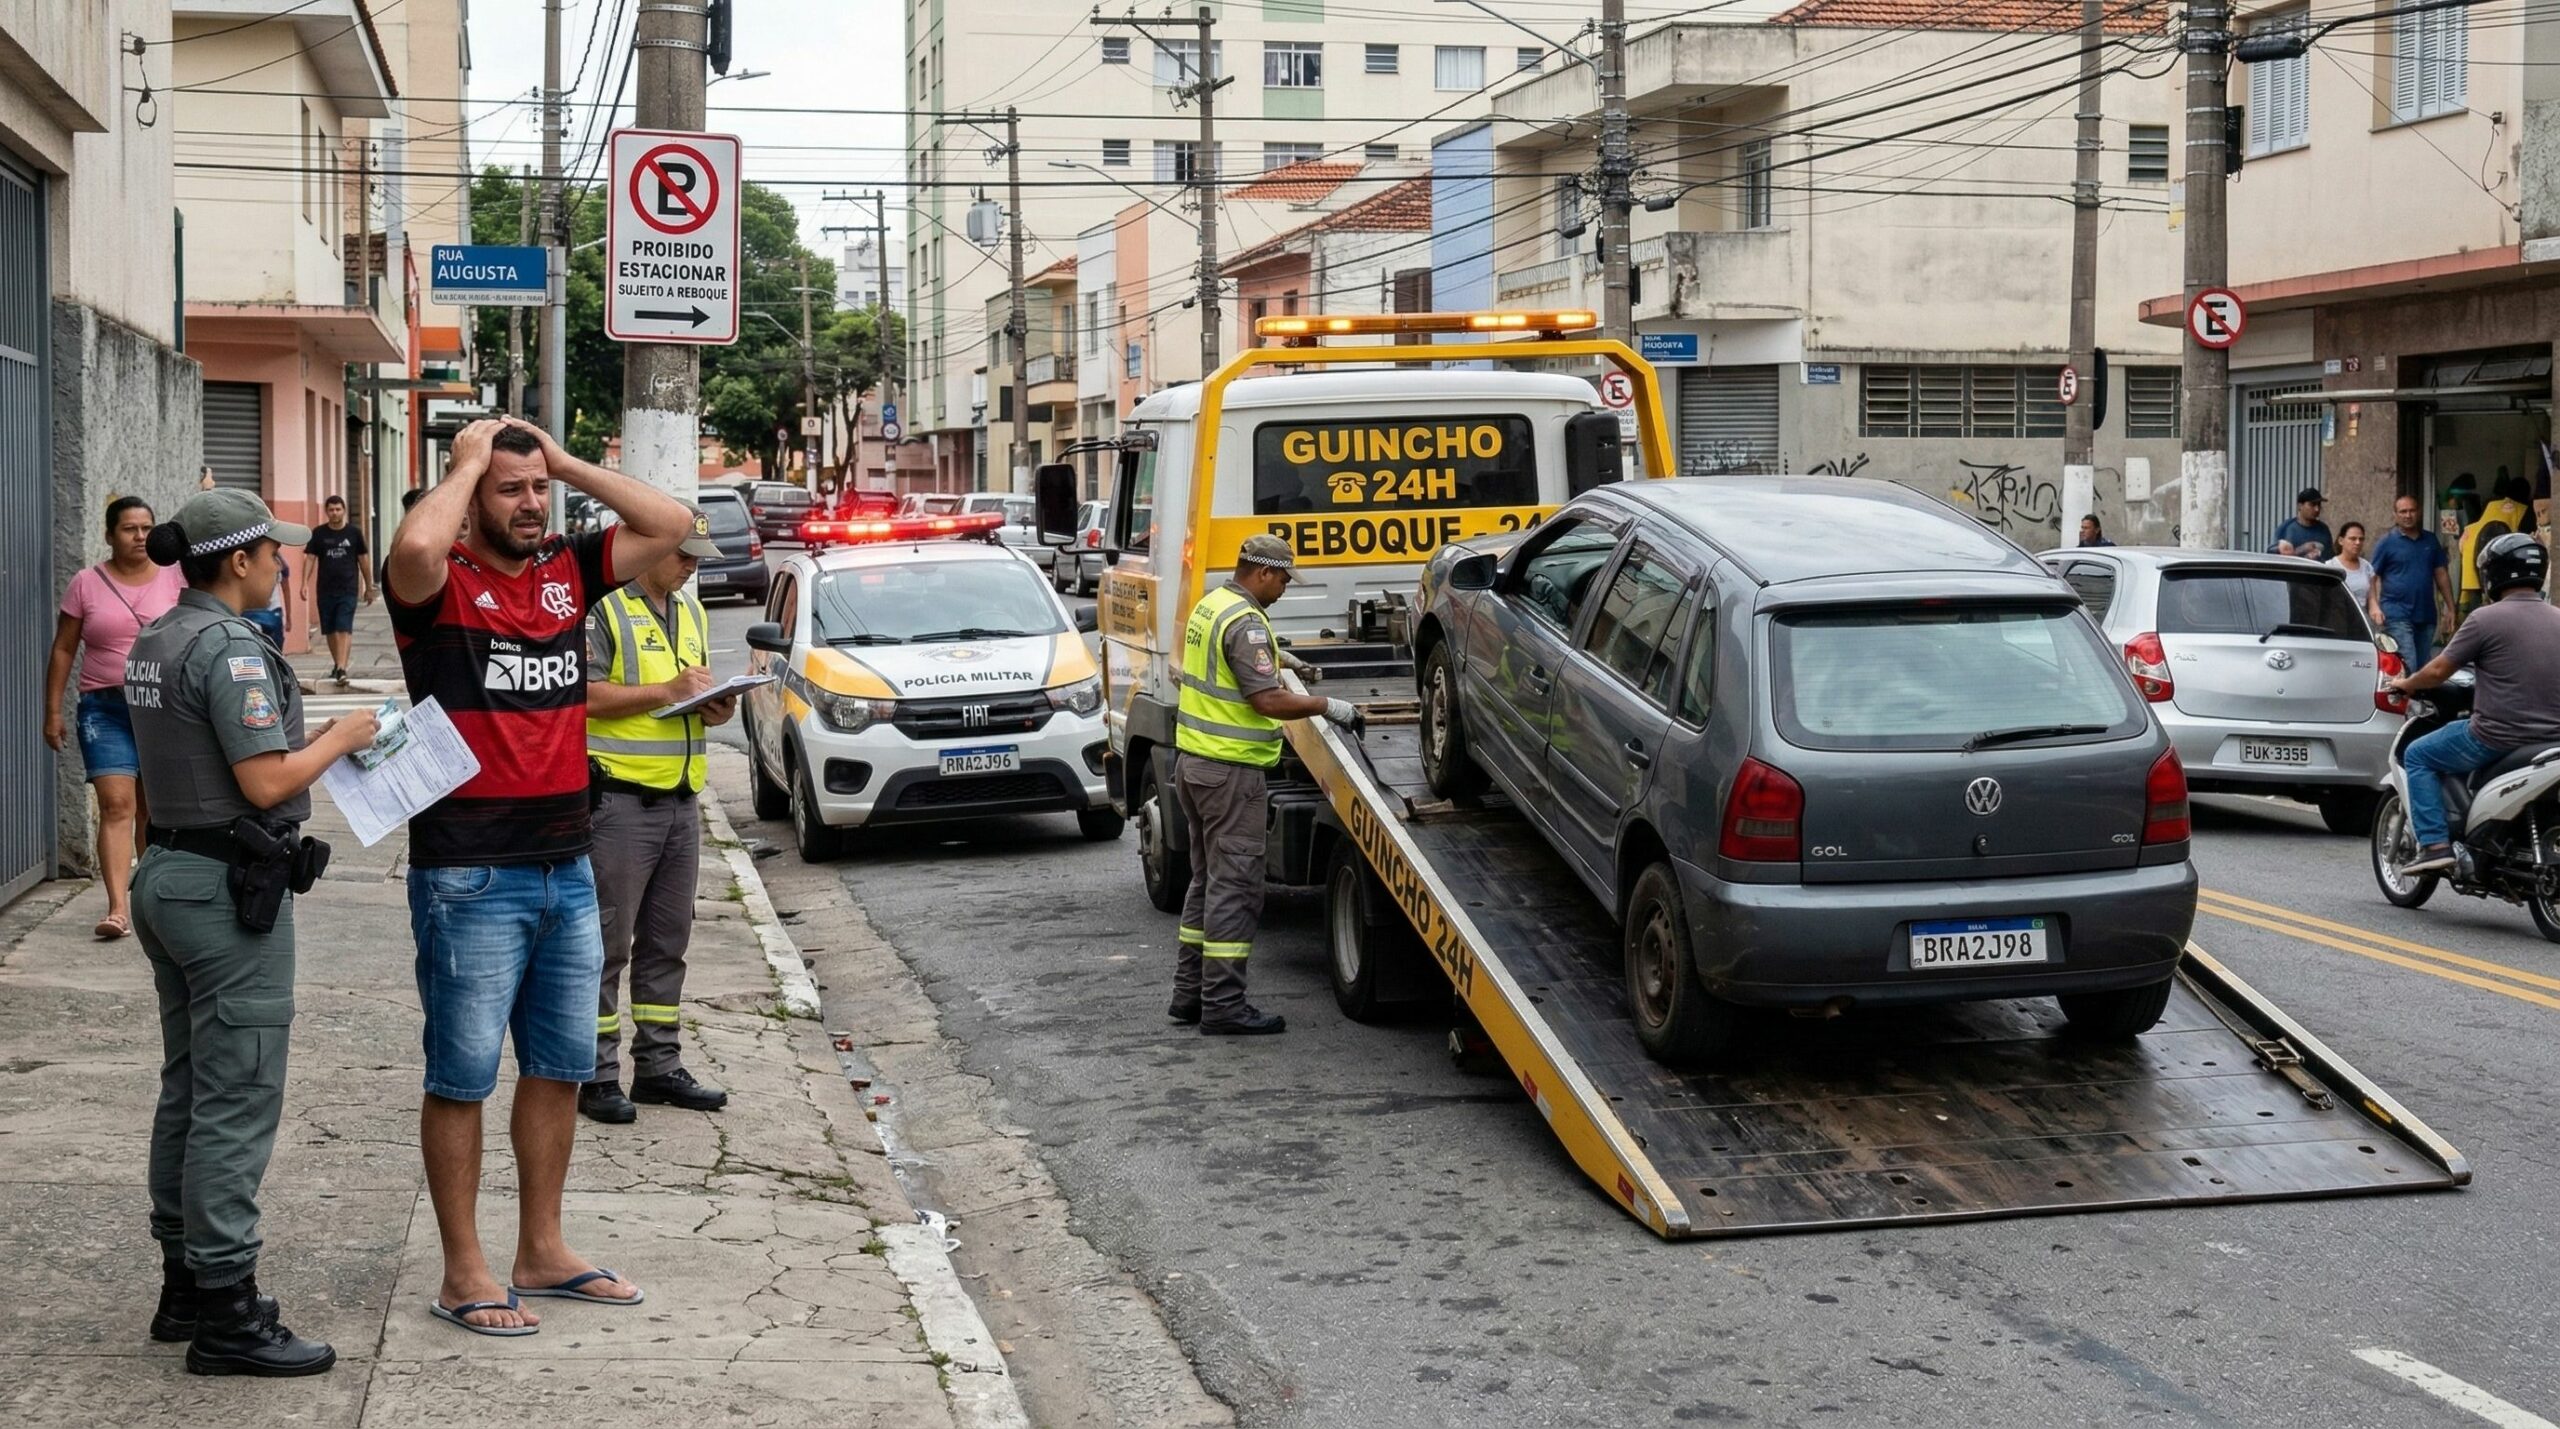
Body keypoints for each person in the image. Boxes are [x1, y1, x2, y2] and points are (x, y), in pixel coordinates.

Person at [385, 416, 691, 1335]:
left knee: (558, 1068)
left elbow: (670, 523)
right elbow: (412, 545)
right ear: (471, 495)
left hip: (567, 858)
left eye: (537, 490)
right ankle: (464, 1268)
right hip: (470, 872)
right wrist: (470, 460)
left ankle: (542, 1248)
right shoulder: (436, 585)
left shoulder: (570, 567)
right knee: (463, 1074)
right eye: (509, 489)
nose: (531, 503)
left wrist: (558, 459)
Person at [124, 488, 381, 1376]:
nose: (284, 561)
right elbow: (267, 781)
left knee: (190, 1085)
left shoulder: (158, 636)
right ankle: (228, 1309)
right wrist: (344, 734)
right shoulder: (226, 647)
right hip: (223, 893)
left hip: (166, 871)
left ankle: (184, 1283)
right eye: (274, 550)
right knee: (237, 1096)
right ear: (237, 560)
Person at [577, 511, 737, 1124]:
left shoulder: (690, 612)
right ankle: (596, 1075)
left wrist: (712, 707)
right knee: (605, 947)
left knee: (668, 943)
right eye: (684, 554)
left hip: (679, 801)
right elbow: (582, 695)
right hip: (620, 804)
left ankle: (660, 1066)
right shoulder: (605, 610)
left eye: (699, 556)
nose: (694, 566)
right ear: (648, 548)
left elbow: (685, 695)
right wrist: (667, 692)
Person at [1169, 535, 1361, 1036]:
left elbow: (1231, 670)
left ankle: (1189, 995)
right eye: (1282, 580)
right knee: (1235, 890)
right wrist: (1327, 706)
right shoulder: (1248, 622)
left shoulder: (1214, 604)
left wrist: (1281, 662)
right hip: (1231, 774)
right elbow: (1267, 703)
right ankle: (1224, 1006)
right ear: (1261, 572)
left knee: (1207, 882)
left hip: (1195, 767)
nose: (1283, 590)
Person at [47, 497, 186, 940]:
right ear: (109, 535)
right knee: (117, 805)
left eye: (147, 527)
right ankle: (117, 910)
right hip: (103, 708)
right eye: (129, 529)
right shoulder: (86, 583)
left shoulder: (175, 577)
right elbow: (65, 647)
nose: (140, 536)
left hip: (160, 708)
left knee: (153, 810)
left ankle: (149, 900)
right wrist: (53, 711)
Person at [2387, 534, 2560, 872]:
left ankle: (2436, 845)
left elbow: (2438, 670)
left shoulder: (2485, 619)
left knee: (2418, 754)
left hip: (2495, 736)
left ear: (2493, 574)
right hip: (2551, 740)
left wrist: (2406, 683)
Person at [2368, 495, 2456, 669]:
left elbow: (2441, 574)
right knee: (2409, 664)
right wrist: (2374, 606)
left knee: (2423, 667)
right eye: (2403, 511)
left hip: (2426, 614)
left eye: (2412, 510)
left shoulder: (2430, 540)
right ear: (2395, 514)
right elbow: (2372, 576)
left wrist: (2451, 608)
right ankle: (2405, 696)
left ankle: (2416, 697)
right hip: (2396, 613)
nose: (2408, 515)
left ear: (2419, 512)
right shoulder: (2386, 542)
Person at [301, 494, 372, 684]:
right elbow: (309, 558)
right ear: (327, 512)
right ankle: (337, 664)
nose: (334, 513)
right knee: (330, 630)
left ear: (344, 510)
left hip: (348, 588)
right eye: (331, 510)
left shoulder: (353, 534)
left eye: (338, 509)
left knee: (343, 627)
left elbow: (364, 560)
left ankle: (342, 668)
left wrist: (369, 585)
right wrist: (303, 584)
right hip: (325, 589)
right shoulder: (319, 534)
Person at [2456, 476, 2534, 619]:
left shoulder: (2491, 506)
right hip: (2502, 580)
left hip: (2473, 577)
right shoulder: (2524, 510)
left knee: (2476, 622)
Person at [2269, 487, 2333, 560]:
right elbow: (2271, 554)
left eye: (2319, 505)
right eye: (2312, 504)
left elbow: (2330, 558)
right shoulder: (2286, 528)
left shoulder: (2324, 530)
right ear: (2300, 506)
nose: (2317, 509)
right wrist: (2299, 550)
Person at [2326, 520, 2373, 609]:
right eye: (2353, 539)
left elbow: (2372, 598)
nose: (2357, 543)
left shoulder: (2367, 567)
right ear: (2341, 541)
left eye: (2361, 539)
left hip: (2361, 617)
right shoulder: (2330, 566)